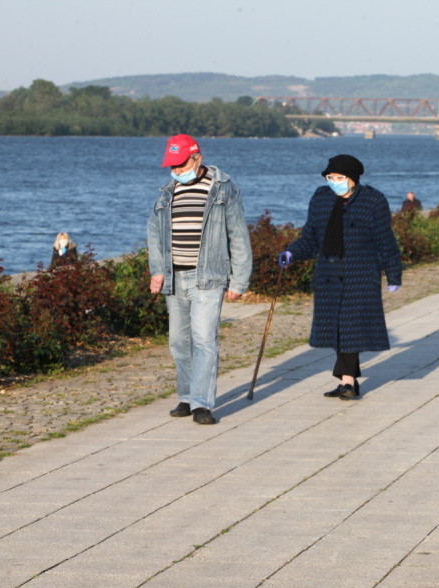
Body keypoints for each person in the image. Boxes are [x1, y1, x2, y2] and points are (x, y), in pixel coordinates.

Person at [147, 134, 252, 426]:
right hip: (174, 277)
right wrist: (157, 269)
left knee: (204, 340)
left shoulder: (223, 188)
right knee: (178, 342)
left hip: (209, 277)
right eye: (172, 165)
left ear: (197, 158)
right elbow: (155, 232)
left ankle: (202, 404)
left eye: (180, 164)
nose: (176, 171)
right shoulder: (167, 191)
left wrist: (239, 281)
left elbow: (239, 236)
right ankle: (186, 396)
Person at [278, 155, 403, 400]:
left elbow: (385, 241)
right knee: (337, 330)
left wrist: (393, 275)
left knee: (350, 326)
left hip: (361, 274)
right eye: (330, 178)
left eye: (339, 178)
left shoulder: (373, 201)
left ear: (353, 180)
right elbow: (311, 237)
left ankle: (347, 382)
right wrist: (292, 252)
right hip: (328, 275)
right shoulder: (321, 198)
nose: (334, 182)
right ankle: (349, 380)